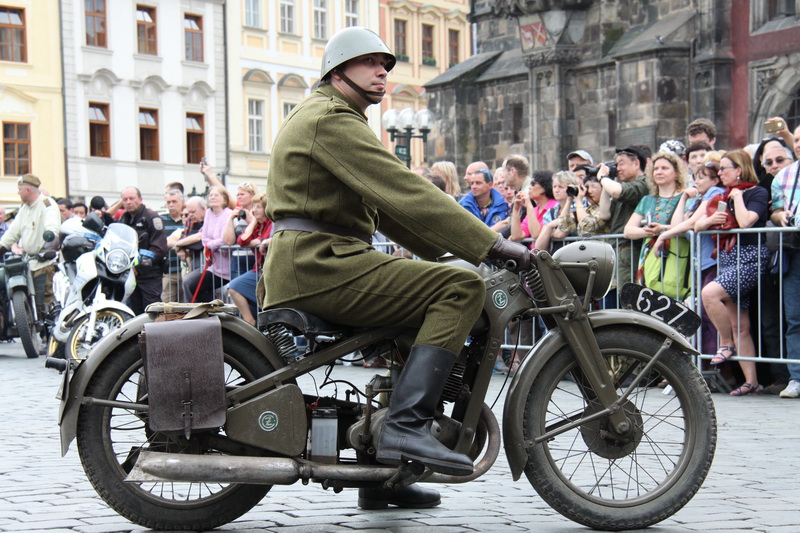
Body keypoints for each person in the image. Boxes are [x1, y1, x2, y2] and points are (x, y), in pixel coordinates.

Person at [263, 26, 530, 510]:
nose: (383, 69)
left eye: (386, 62)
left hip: (318, 260)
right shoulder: (330, 118)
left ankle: (383, 474)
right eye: (369, 61)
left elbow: (389, 211)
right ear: (338, 69)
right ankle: (405, 429)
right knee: (459, 289)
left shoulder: (332, 117)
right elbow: (406, 190)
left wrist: (452, 251)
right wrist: (493, 246)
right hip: (319, 264)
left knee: (423, 307)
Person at [695, 150, 770, 396]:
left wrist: (737, 197)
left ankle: (725, 343)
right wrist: (708, 221)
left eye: (725, 168)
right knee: (741, 325)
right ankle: (751, 381)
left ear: (739, 169)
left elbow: (747, 221)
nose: (720, 173)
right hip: (728, 259)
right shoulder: (720, 196)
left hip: (750, 258)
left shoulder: (756, 192)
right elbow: (696, 224)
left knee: (709, 293)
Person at [623, 151, 688, 300]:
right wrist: (648, 232)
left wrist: (663, 230)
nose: (659, 172)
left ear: (677, 173)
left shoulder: (687, 196)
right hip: (651, 257)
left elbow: (686, 227)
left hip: (677, 255)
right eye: (656, 168)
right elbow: (628, 230)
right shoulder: (647, 200)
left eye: (664, 168)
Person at [0, 174, 61, 320]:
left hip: (43, 260)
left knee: (45, 299)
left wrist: (50, 247)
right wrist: (1, 247)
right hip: (28, 261)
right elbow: (12, 233)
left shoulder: (47, 204)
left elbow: (52, 228)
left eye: (19, 189)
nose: (18, 192)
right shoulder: (24, 209)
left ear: (27, 190)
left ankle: (50, 333)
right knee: (26, 296)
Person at [597, 146, 650, 304]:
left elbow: (618, 192)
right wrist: (606, 182)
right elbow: (604, 213)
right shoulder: (620, 186)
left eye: (621, 164)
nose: (617, 168)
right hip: (619, 251)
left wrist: (602, 178)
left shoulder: (644, 183)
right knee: (617, 299)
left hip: (631, 249)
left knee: (629, 299)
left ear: (636, 164)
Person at [770, 151, 800, 398]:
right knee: (794, 316)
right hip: (794, 248)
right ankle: (796, 377)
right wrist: (780, 215)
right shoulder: (784, 175)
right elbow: (776, 210)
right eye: (798, 140)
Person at [120, 187, 168, 315]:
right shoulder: (124, 219)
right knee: (134, 311)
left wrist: (138, 263)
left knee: (152, 310)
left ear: (140, 199)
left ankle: (157, 335)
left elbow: (159, 247)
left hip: (149, 273)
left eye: (132, 198)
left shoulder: (152, 217)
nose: (129, 202)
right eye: (125, 199)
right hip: (130, 274)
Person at [227, 194, 272, 325]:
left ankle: (251, 323)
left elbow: (270, 238)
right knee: (235, 288)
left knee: (236, 288)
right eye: (254, 207)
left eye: (258, 207)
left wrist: (262, 242)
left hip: (267, 271)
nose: (254, 210)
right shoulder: (258, 225)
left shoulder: (271, 224)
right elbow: (242, 240)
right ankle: (250, 322)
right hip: (258, 269)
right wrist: (252, 222)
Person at [182, 186, 232, 303]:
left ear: (224, 199)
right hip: (212, 265)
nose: (213, 197)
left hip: (225, 267)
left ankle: (201, 313)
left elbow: (225, 239)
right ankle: (200, 314)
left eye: (216, 195)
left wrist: (210, 245)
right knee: (189, 283)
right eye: (211, 195)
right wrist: (209, 244)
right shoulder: (209, 213)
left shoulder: (228, 214)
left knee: (190, 283)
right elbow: (204, 237)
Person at [535, 170, 582, 252]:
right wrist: (550, 225)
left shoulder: (579, 207)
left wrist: (551, 233)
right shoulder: (551, 212)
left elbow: (560, 233)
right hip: (558, 258)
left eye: (560, 187)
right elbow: (539, 246)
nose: (556, 190)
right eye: (554, 186)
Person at [510, 170, 557, 246]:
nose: (529, 187)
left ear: (544, 188)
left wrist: (528, 205)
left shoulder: (555, 206)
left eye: (533, 184)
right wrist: (516, 209)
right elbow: (516, 236)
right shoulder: (534, 210)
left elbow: (536, 234)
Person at [161, 189, 186, 302]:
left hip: (186, 270)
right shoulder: (161, 220)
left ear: (182, 202)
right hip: (169, 270)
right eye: (169, 202)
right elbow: (161, 242)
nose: (171, 205)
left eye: (174, 201)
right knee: (167, 306)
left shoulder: (188, 218)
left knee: (186, 304)